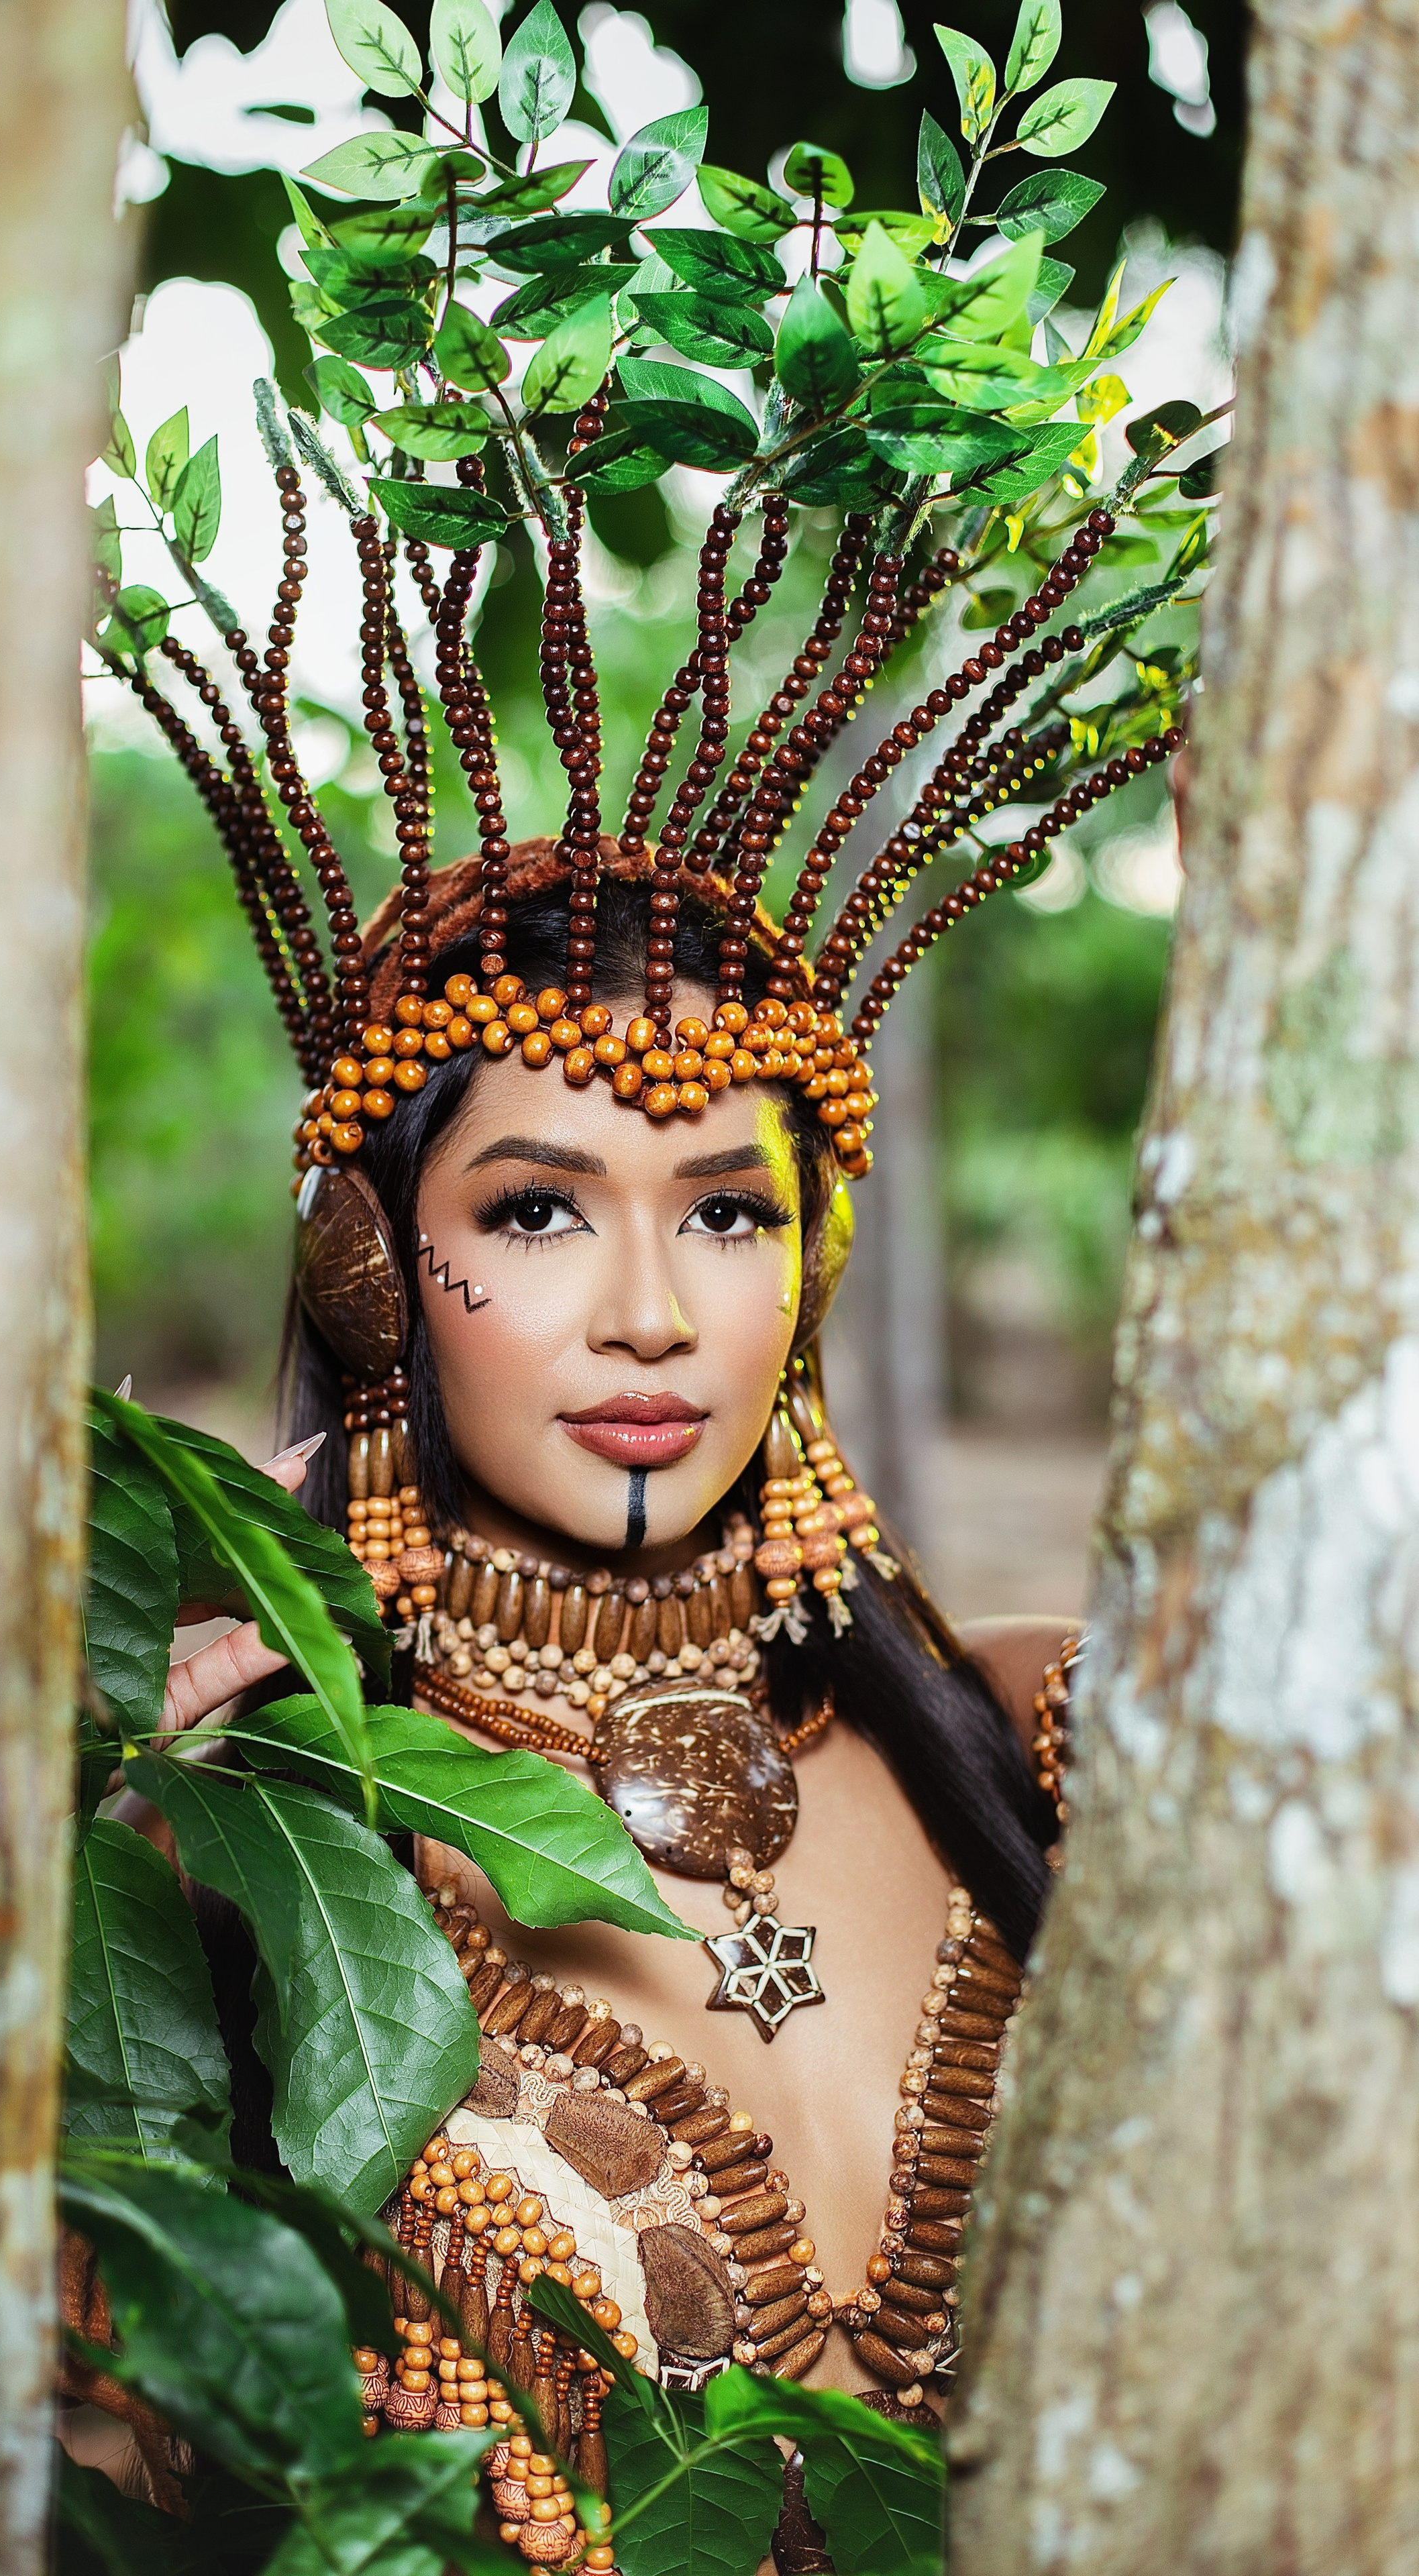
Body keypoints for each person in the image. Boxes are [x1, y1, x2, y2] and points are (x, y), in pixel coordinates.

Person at [101, 375, 1178, 2563]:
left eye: (725, 1208)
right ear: (375, 1263)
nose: (652, 1314)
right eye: (535, 1209)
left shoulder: (1087, 1741)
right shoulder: (248, 1830)